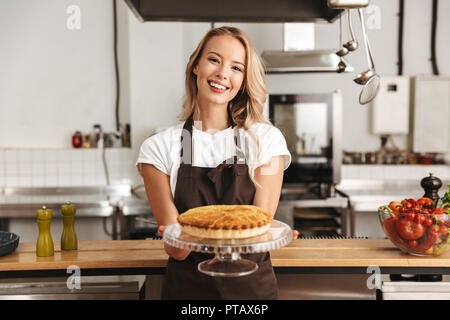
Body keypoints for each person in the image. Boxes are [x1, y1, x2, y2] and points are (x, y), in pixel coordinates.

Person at [136, 26, 296, 300]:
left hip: (251, 293)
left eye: (236, 67)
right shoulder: (158, 149)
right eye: (214, 60)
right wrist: (180, 238)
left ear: (244, 80)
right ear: (196, 65)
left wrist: (189, 233)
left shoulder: (266, 141)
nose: (223, 73)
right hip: (188, 294)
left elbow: (258, 233)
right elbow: (178, 250)